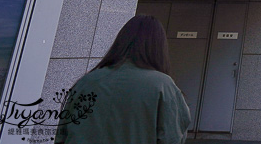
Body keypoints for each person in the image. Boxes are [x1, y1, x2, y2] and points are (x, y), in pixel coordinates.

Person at [55, 15, 191, 144]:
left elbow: (62, 135)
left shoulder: (86, 81)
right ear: (159, 47)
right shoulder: (163, 86)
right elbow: (172, 137)